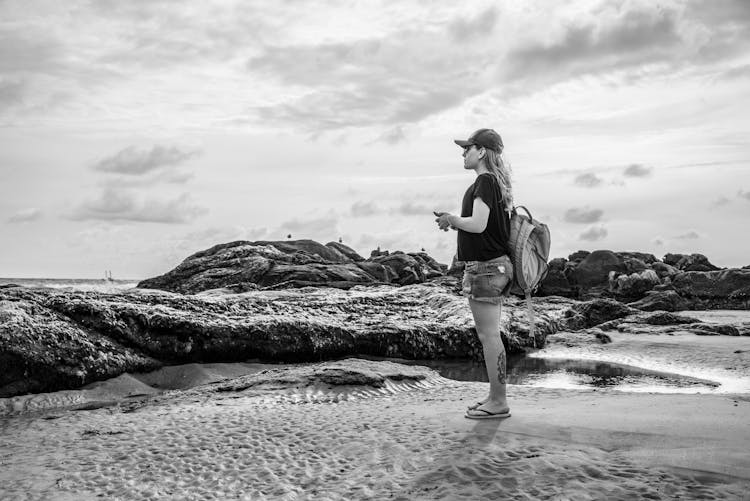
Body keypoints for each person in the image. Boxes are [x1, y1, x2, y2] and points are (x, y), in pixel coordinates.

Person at [434, 128, 514, 420]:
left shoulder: (485, 182)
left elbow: (479, 225)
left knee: (489, 335)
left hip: (487, 267)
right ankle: (495, 396)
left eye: (468, 148)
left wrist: (452, 218)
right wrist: (454, 221)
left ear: (482, 152)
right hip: (491, 266)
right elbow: (484, 227)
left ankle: (499, 401)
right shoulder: (492, 183)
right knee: (489, 334)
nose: (463, 152)